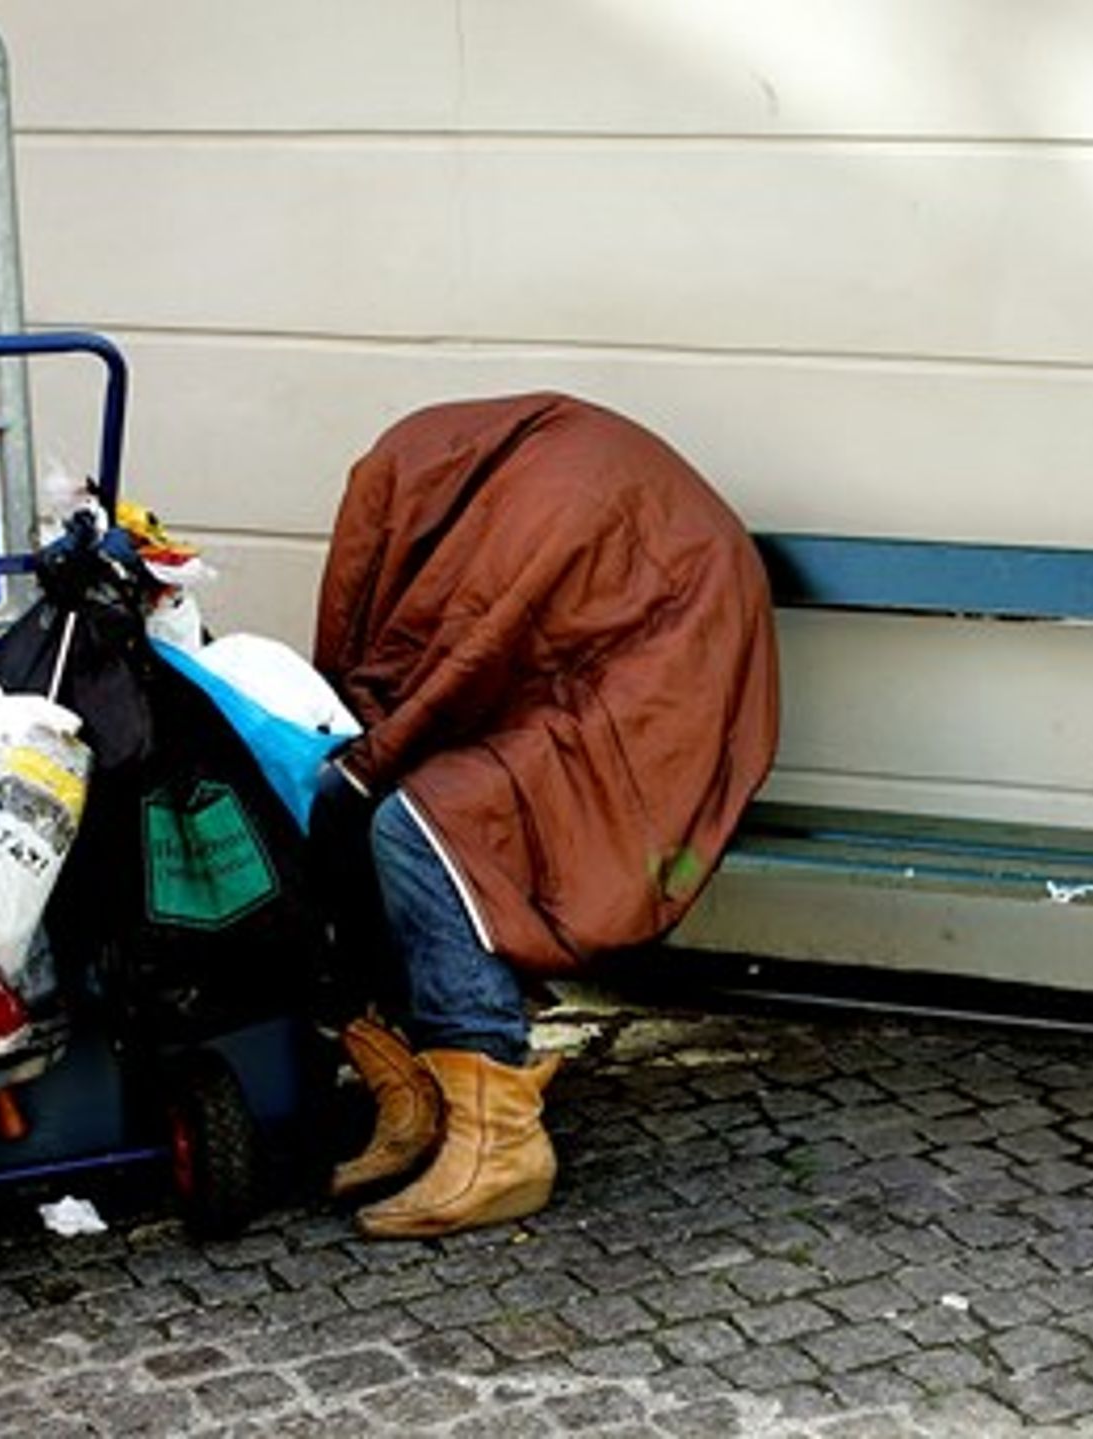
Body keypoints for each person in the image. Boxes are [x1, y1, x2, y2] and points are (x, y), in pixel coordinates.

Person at [307, 393, 779, 1239]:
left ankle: (499, 1135)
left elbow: (462, 664)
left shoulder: (533, 504)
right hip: (618, 678)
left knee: (425, 826)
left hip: (665, 706)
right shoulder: (508, 478)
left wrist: (362, 762)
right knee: (383, 810)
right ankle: (419, 1093)